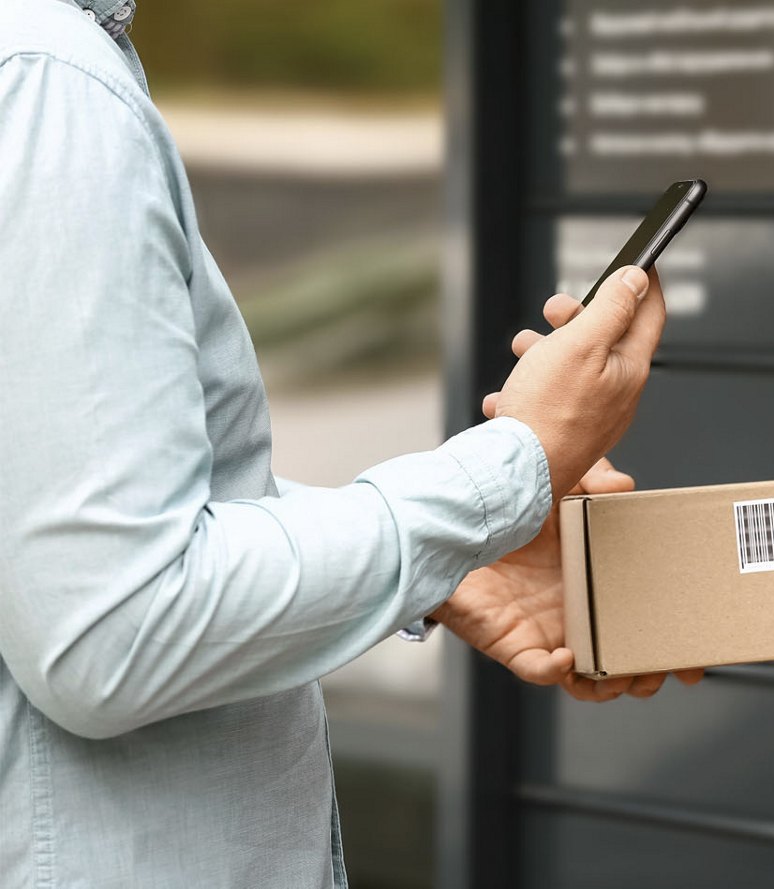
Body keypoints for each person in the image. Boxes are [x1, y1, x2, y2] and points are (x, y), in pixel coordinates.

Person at [0, 1, 700, 885]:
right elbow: (115, 627)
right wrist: (517, 462)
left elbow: (51, 522)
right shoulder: (46, 80)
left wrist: (461, 560)